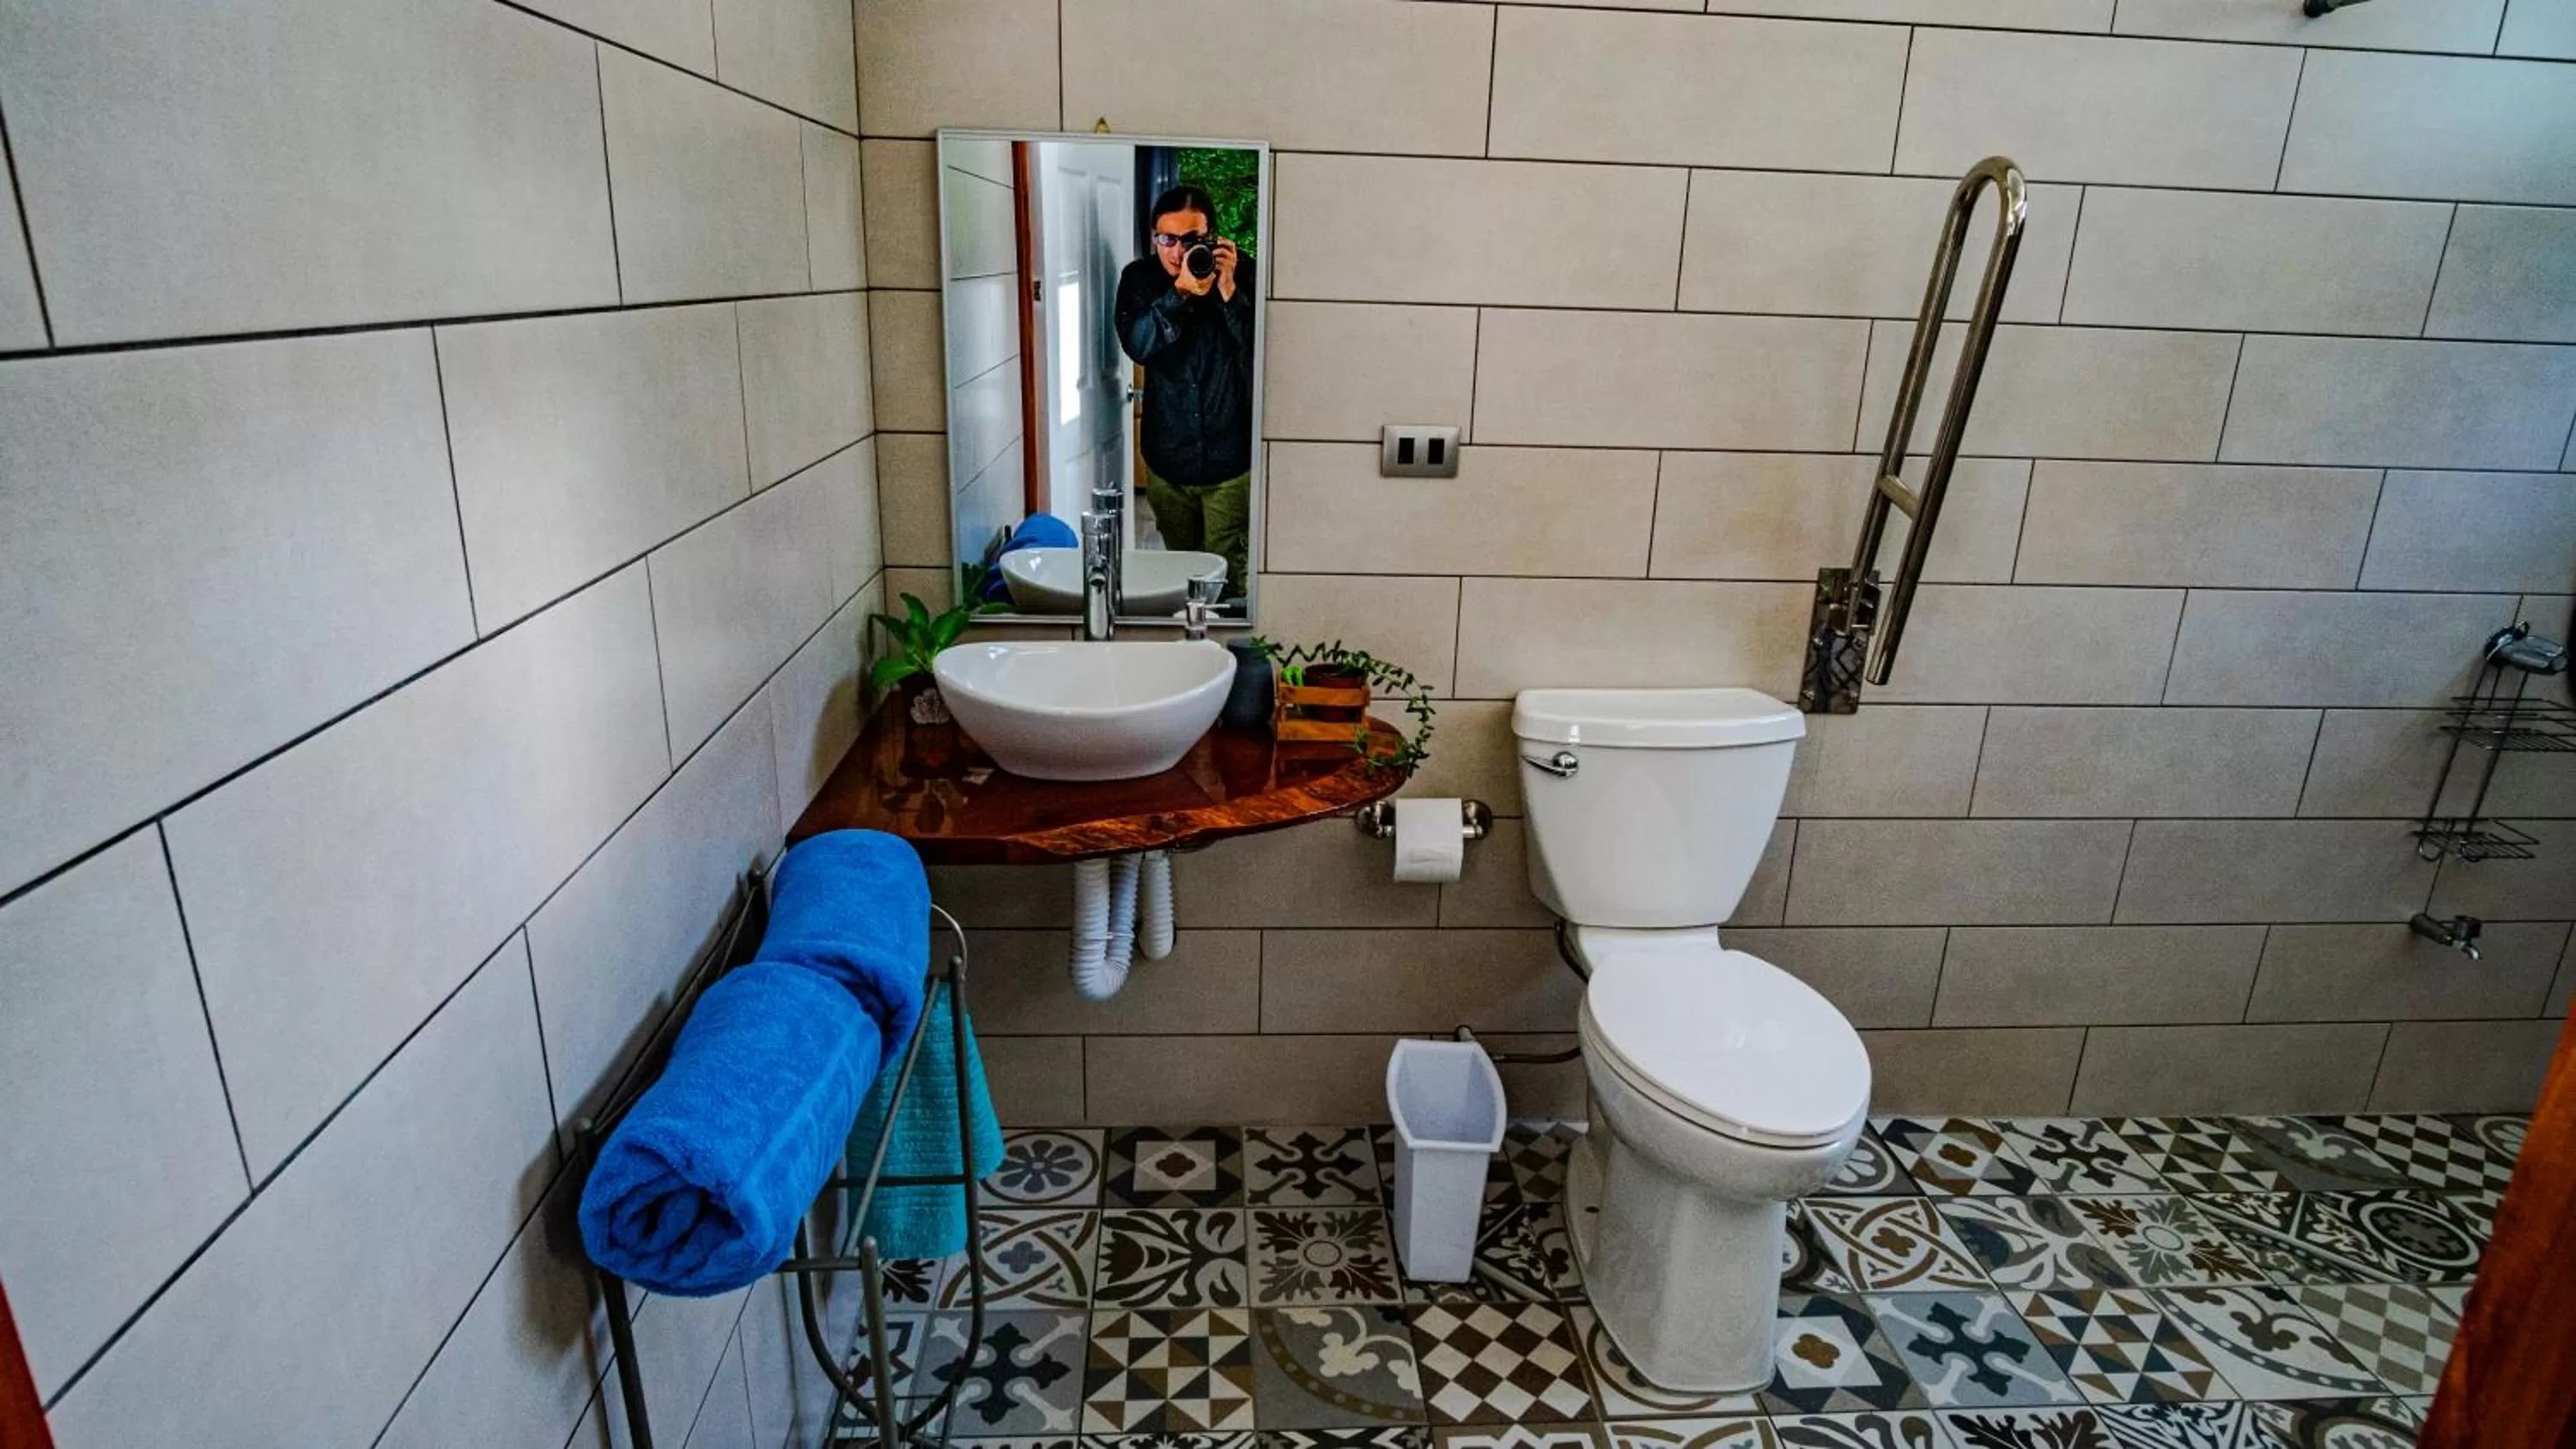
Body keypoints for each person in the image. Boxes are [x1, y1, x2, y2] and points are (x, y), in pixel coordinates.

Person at [1114, 183, 1255, 598]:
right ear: (1154, 237)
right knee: (1180, 575)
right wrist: (1177, 295)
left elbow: (1264, 354)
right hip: (1168, 461)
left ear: (1212, 237)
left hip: (1230, 463)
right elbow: (1139, 346)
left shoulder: (1242, 273)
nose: (1177, 252)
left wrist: (1230, 295)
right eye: (1167, 239)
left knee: (1229, 582)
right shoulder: (1140, 280)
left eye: (1191, 240)